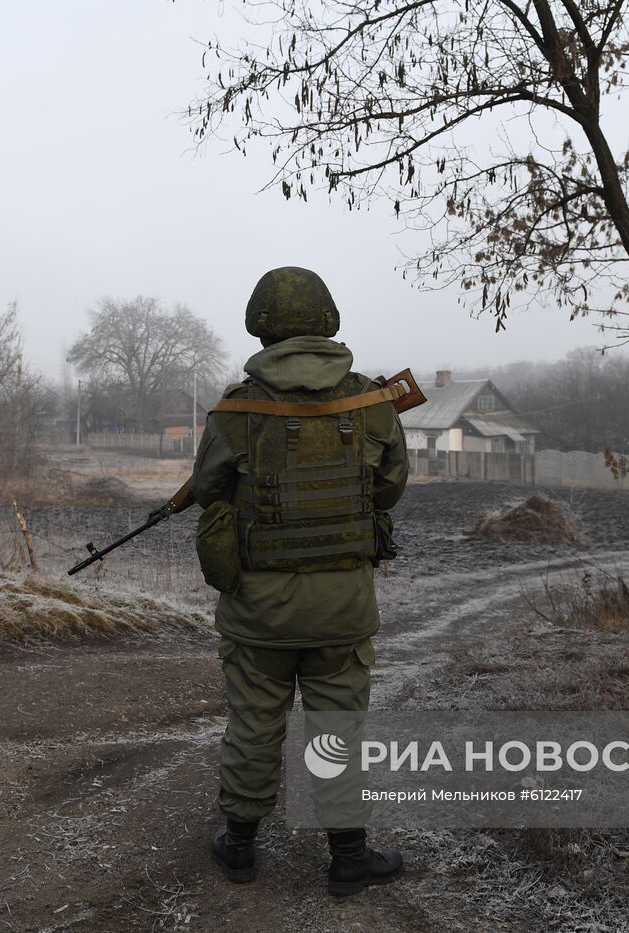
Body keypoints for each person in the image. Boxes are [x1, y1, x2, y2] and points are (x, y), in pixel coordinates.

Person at [191, 266, 409, 896]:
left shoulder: (236, 409)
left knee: (254, 724)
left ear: (261, 325)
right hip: (343, 609)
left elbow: (208, 491)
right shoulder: (374, 404)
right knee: (338, 727)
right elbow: (389, 492)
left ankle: (238, 849)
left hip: (257, 610)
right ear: (327, 322)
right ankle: (348, 858)